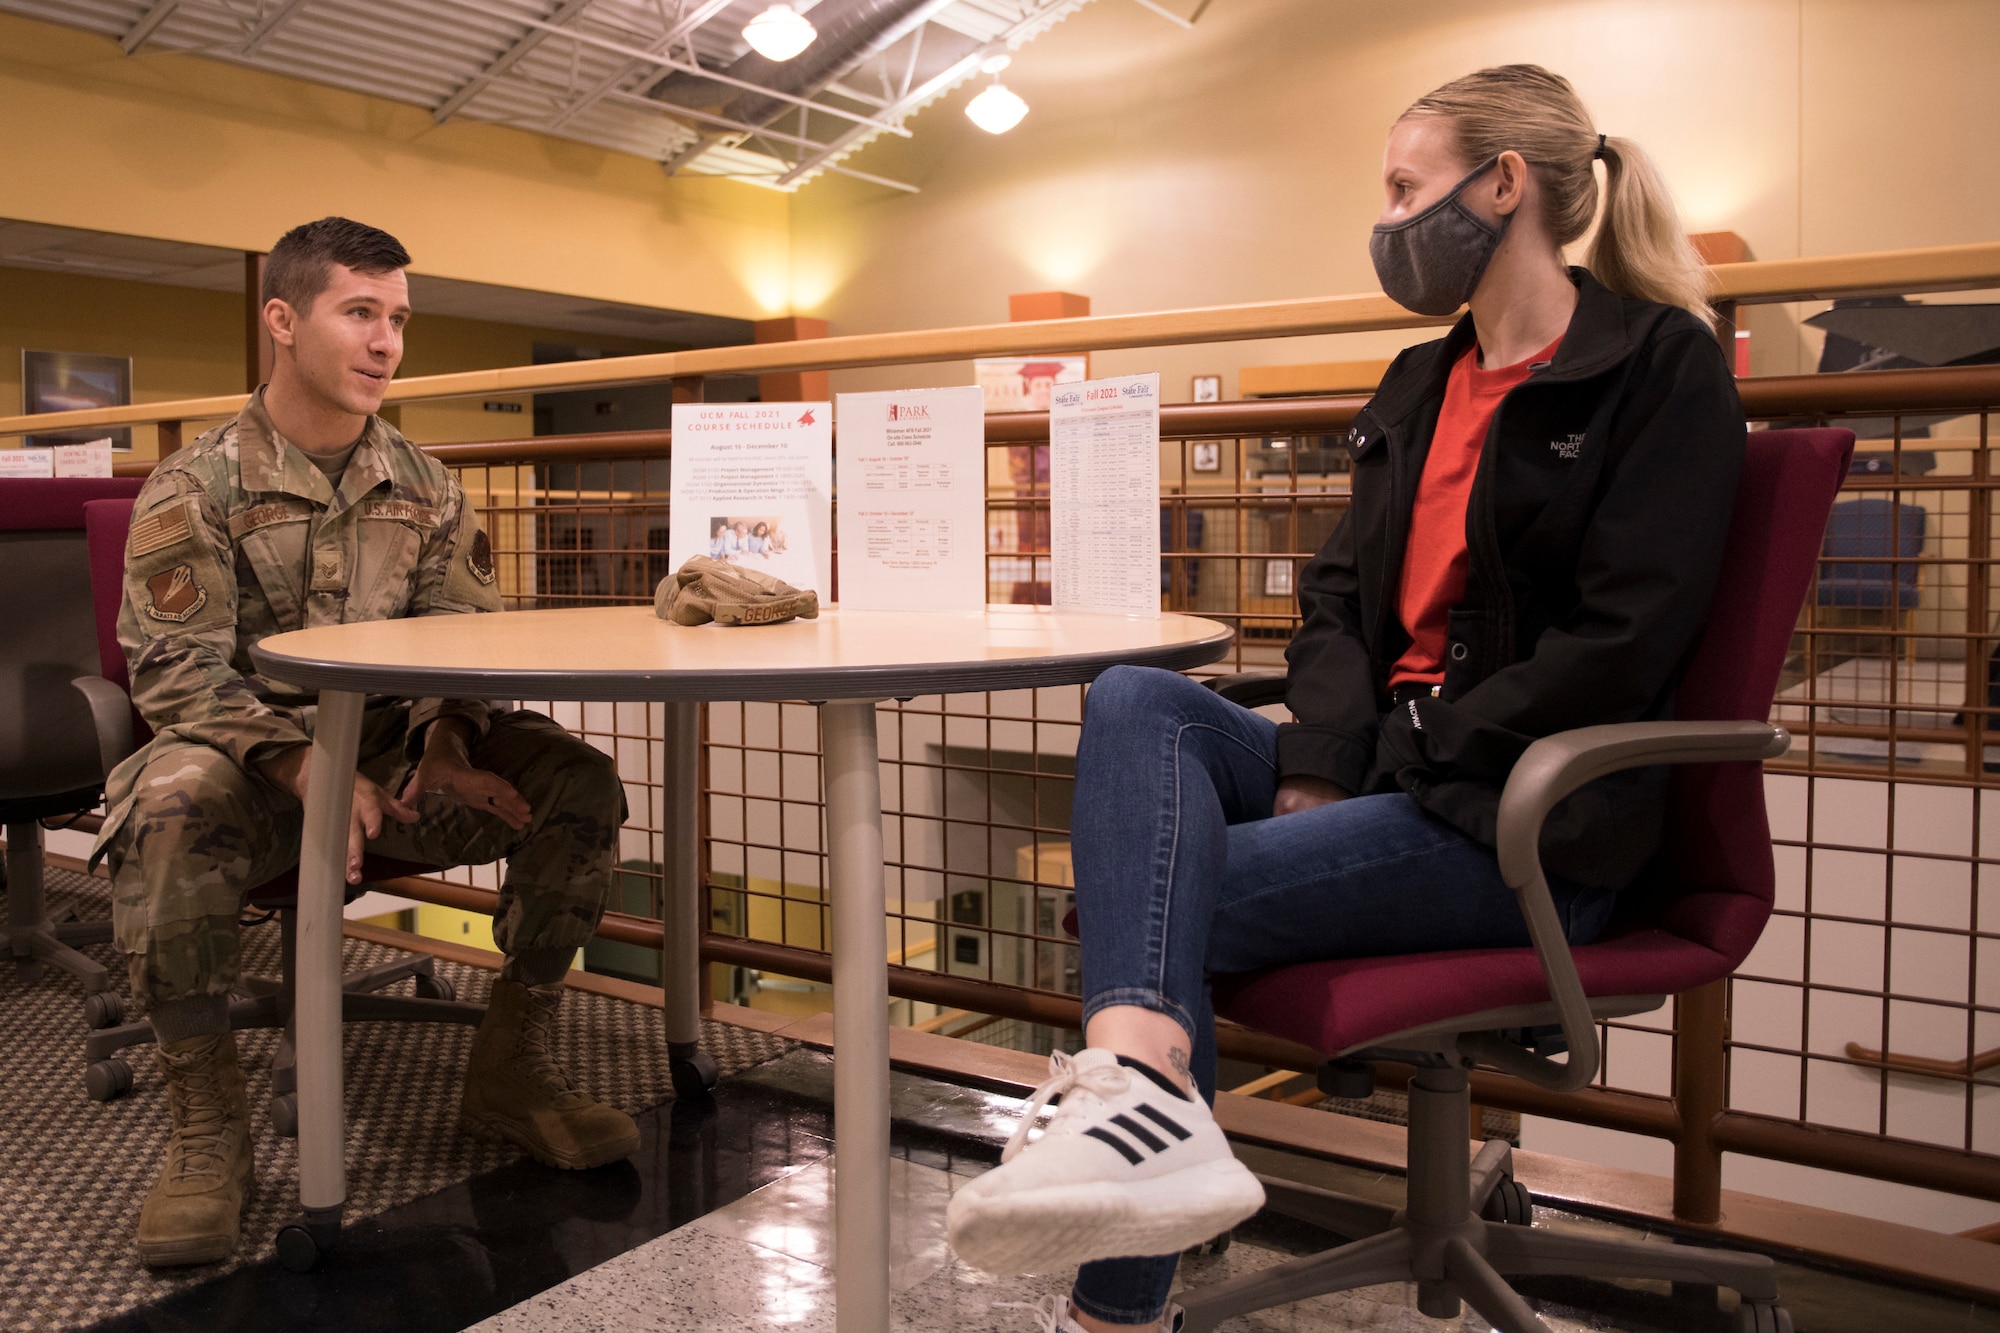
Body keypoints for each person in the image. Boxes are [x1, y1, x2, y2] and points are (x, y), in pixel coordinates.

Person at [946, 65, 1743, 1333]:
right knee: (1138, 699)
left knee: (1155, 898)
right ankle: (1142, 1084)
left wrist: (1419, 738)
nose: (1385, 221)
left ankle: (1118, 1284)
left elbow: (1622, 639)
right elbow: (1331, 601)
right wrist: (1320, 756)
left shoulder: (1655, 368)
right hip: (1388, 772)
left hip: (1522, 817)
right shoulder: (1418, 383)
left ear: (1501, 186)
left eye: (1401, 188)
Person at [97, 217, 640, 1269]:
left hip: (400, 765)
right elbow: (172, 667)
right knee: (165, 802)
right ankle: (208, 1128)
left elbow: (464, 637)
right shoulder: (195, 482)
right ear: (284, 320)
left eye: (397, 319)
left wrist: (446, 737)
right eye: (360, 313)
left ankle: (512, 1064)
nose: (386, 341)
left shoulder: (426, 483)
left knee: (577, 778)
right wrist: (307, 765)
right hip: (255, 770)